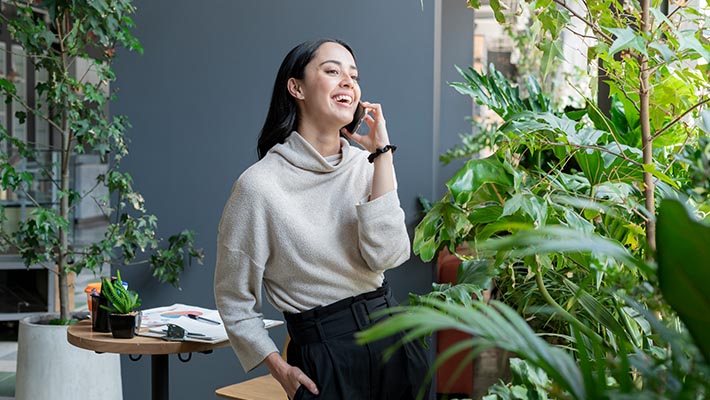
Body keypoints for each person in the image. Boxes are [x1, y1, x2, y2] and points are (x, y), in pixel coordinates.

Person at [214, 38, 431, 400]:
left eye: (354, 75)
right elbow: (233, 297)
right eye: (332, 71)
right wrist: (279, 368)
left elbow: (389, 256)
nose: (348, 81)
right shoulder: (259, 187)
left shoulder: (367, 165)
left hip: (394, 339)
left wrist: (382, 155)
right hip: (325, 355)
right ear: (296, 87)